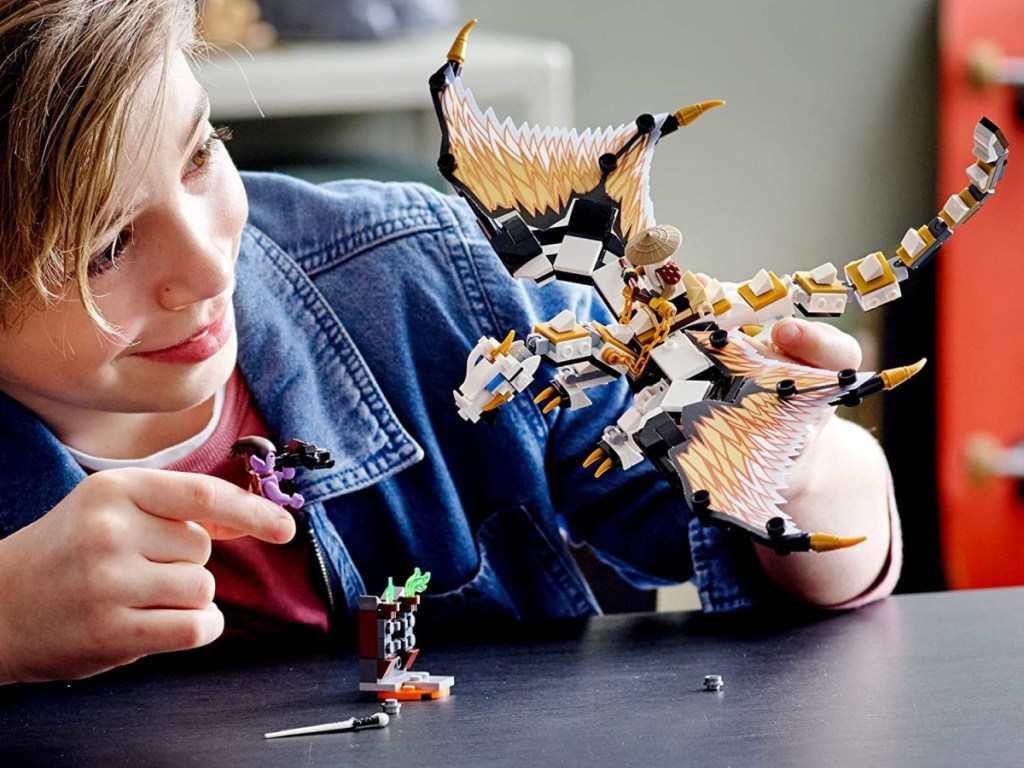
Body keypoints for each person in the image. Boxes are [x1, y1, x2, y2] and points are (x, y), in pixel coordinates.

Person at [0, 0, 899, 685]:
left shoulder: (443, 290)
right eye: (105, 245)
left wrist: (809, 473)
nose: (205, 269)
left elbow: (797, 545)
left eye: (200, 154)